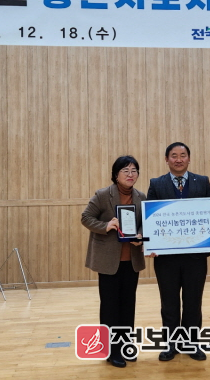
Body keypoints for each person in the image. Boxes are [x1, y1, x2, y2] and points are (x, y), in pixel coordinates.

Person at [146, 142, 210, 361]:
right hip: (166, 258)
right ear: (166, 159)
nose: (178, 159)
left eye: (182, 155)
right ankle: (171, 344)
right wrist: (151, 244)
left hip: (196, 257)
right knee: (169, 302)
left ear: (189, 159)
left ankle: (192, 344)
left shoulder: (202, 182)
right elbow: (150, 218)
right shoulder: (156, 184)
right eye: (173, 155)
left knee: (193, 302)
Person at [81, 156, 146, 368]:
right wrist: (106, 226)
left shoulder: (141, 197)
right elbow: (86, 217)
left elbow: (145, 223)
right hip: (108, 261)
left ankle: (126, 346)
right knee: (110, 306)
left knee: (128, 304)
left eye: (134, 170)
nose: (130, 174)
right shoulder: (102, 195)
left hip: (131, 260)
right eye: (125, 171)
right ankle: (111, 350)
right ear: (116, 174)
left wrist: (140, 235)